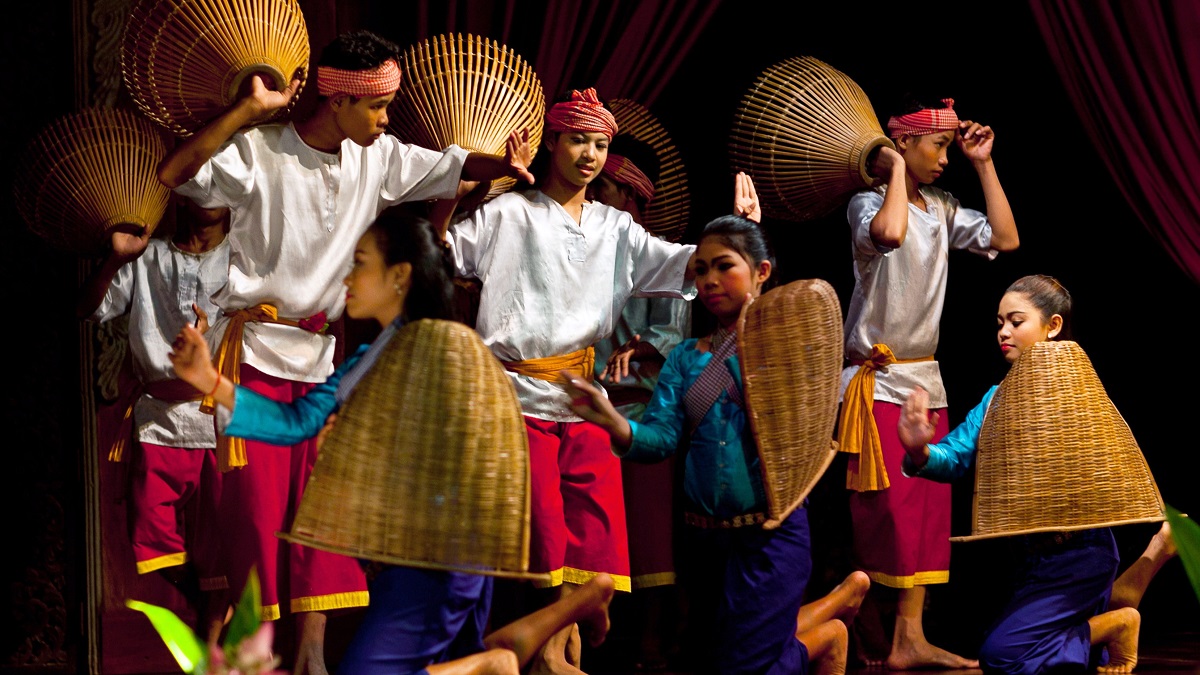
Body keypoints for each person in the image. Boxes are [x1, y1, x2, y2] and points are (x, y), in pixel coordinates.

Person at [156, 28, 534, 674]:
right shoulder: (259, 151)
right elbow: (175, 174)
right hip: (253, 354)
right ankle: (251, 657)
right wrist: (247, 111)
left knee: (322, 512)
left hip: (321, 358)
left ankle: (309, 654)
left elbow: (448, 163)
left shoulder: (377, 156)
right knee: (255, 519)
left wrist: (501, 166)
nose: (388, 120)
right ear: (338, 101)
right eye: (378, 106)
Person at [169, 208, 619, 675]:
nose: (348, 277)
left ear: (399, 276)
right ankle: (557, 617)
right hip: (407, 556)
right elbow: (297, 420)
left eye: (360, 262)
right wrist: (210, 380)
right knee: (462, 659)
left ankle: (494, 662)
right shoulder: (376, 354)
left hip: (439, 558)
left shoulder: (447, 351)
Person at [431, 87, 698, 673]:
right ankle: (549, 647)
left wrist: (736, 232)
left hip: (584, 399)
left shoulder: (616, 229)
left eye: (601, 144)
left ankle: (560, 645)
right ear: (552, 142)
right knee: (545, 530)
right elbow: (441, 253)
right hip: (516, 393)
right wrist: (466, 187)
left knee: (594, 530)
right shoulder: (508, 214)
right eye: (578, 140)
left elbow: (683, 264)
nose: (590, 155)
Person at [563, 214, 871, 675]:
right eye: (700, 270)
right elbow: (661, 440)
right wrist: (613, 421)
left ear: (761, 272)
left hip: (770, 532)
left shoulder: (784, 347)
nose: (708, 281)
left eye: (723, 267)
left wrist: (751, 327)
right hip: (704, 543)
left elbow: (798, 413)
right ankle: (827, 625)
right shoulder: (685, 357)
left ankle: (826, 632)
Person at [896, 274, 1178, 674]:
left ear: (1053, 326)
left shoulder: (1076, 390)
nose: (1004, 332)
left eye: (1016, 321)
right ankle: (1122, 601)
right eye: (999, 323)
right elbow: (955, 456)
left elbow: (1110, 465)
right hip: (1034, 559)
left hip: (1081, 551)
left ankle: (1118, 618)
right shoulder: (997, 398)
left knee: (1004, 657)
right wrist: (919, 449)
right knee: (1032, 651)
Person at [836, 94, 1019, 669]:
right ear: (904, 144)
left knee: (926, 513)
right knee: (881, 512)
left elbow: (1005, 239)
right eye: (937, 146)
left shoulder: (941, 206)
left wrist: (984, 164)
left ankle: (908, 639)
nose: (945, 158)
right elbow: (889, 234)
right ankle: (870, 628)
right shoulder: (866, 204)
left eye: (947, 147)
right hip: (876, 379)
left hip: (924, 378)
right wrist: (890, 170)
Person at [76, 197, 231, 634]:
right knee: (150, 534)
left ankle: (213, 644)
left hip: (218, 419)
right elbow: (87, 309)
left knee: (218, 544)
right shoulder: (150, 257)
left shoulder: (243, 257)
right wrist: (116, 259)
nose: (209, 192)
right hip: (158, 418)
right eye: (198, 182)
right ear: (181, 192)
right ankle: (202, 603)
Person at [587, 136, 691, 671]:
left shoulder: (661, 259)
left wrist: (641, 346)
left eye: (601, 185)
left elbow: (676, 335)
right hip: (588, 415)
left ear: (628, 195)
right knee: (593, 534)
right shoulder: (581, 247)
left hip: (643, 417)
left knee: (649, 539)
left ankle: (652, 646)